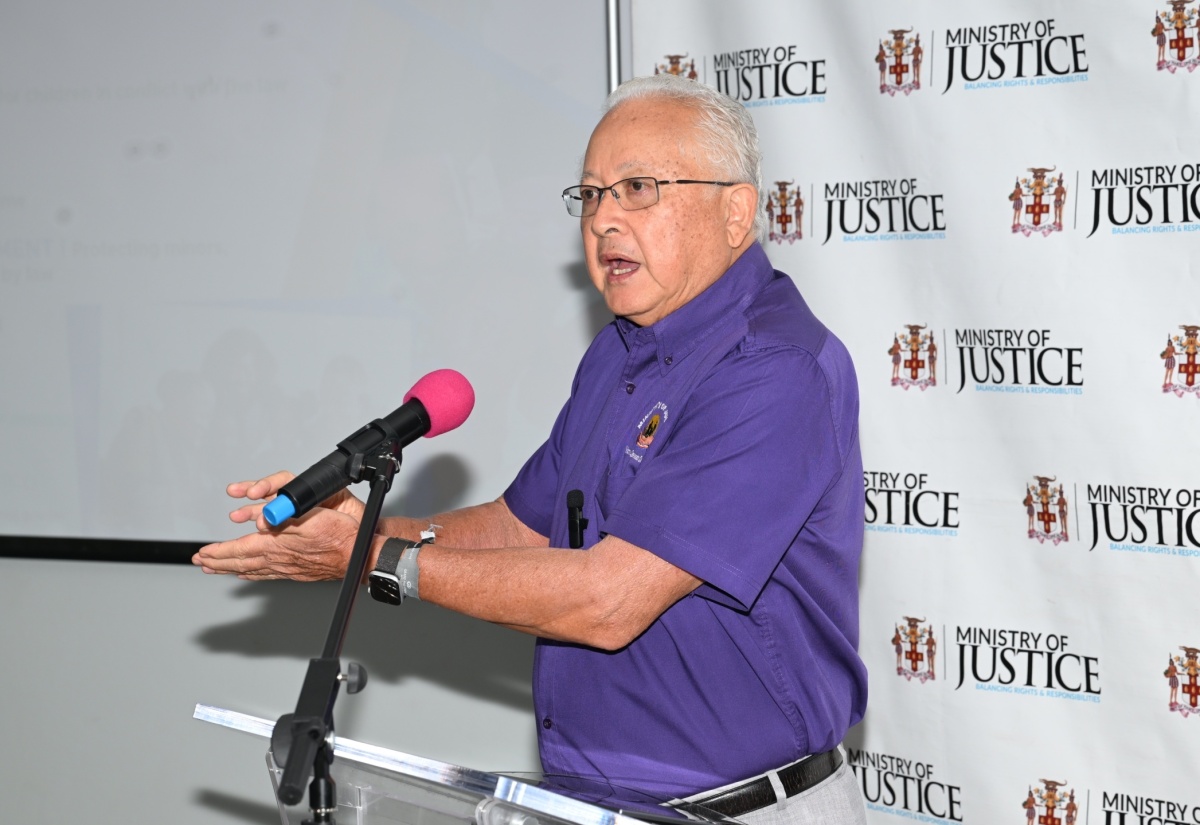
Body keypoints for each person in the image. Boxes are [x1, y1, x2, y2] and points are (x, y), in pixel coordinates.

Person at [195, 73, 868, 824]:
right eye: (590, 195)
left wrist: (381, 565)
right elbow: (520, 525)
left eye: (637, 189)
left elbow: (609, 600)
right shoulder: (620, 354)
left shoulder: (775, 369)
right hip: (595, 805)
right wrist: (358, 539)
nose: (604, 220)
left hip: (740, 811)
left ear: (735, 211)